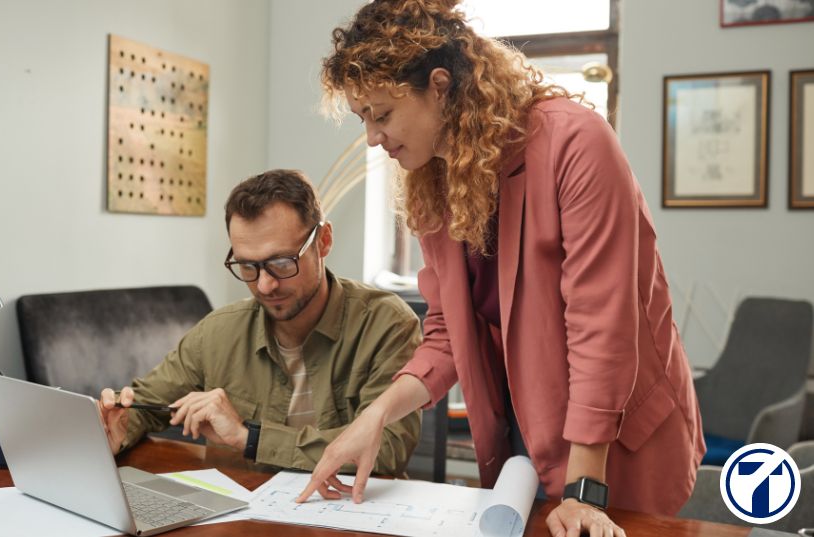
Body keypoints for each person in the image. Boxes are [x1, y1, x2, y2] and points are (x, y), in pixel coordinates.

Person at [297, 1, 706, 535]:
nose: (373, 138)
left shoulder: (575, 143)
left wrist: (584, 492)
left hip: (612, 443)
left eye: (382, 115)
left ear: (440, 86)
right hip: (526, 433)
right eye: (363, 119)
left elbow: (602, 329)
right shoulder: (429, 182)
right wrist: (375, 415)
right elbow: (446, 335)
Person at [98, 169, 422, 476]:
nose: (265, 285)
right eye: (247, 266)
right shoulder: (218, 333)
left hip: (350, 516)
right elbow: (147, 403)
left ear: (323, 241)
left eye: (281, 263)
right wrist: (120, 427)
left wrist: (248, 438)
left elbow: (387, 449)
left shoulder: (386, 324)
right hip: (244, 515)